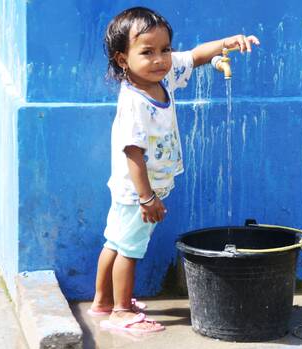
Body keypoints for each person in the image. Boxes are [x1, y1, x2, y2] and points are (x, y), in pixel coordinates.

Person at [89, 6, 260, 333]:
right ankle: (121, 311)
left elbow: (195, 56)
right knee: (129, 249)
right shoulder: (135, 102)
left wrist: (230, 42)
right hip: (137, 191)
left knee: (115, 242)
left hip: (138, 190)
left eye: (164, 49)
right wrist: (146, 198)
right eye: (147, 52)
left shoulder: (162, 77)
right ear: (123, 59)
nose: (160, 59)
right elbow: (133, 154)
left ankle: (102, 302)